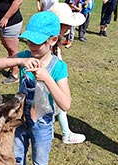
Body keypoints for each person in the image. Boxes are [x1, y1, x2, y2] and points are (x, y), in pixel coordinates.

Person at [0, 11, 71, 165]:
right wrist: (20, 60)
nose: (31, 46)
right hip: (20, 119)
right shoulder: (26, 56)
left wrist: (48, 79)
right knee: (17, 149)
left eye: (36, 42)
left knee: (40, 155)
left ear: (52, 40)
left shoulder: (59, 67)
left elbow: (66, 104)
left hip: (42, 123)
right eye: (28, 41)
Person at [49, 2, 86, 144]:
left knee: (57, 106)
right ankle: (62, 133)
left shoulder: (54, 41)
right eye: (67, 24)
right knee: (57, 105)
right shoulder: (51, 44)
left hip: (53, 82)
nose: (70, 27)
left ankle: (64, 132)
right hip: (52, 83)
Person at [0, 0, 23, 84]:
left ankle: (15, 74)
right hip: (3, 22)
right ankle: (12, 68)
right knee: (8, 47)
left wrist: (6, 17)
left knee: (12, 49)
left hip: (11, 22)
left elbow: (18, 1)